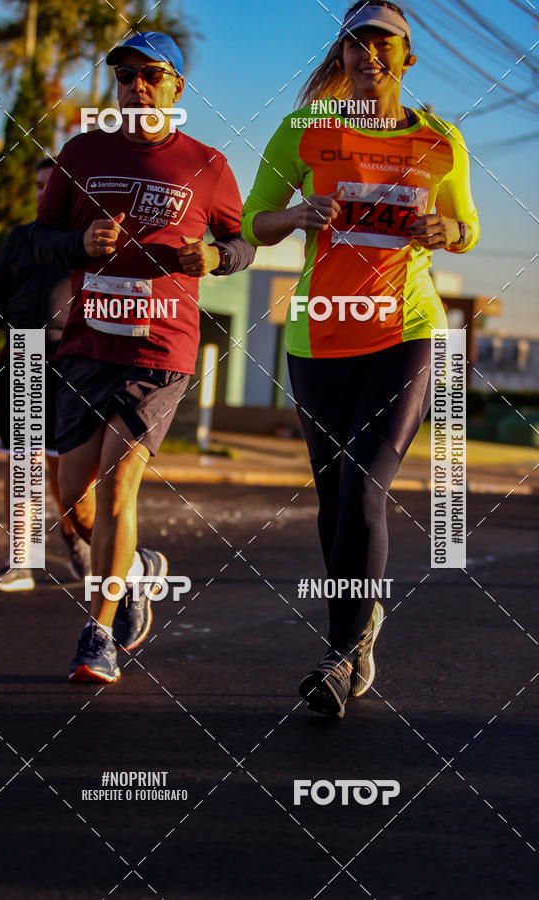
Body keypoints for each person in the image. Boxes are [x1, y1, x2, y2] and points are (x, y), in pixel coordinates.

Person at [241, 1, 479, 718]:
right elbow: (255, 220)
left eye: (383, 43)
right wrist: (295, 216)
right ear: (341, 55)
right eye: (355, 43)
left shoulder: (439, 138)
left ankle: (340, 656)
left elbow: (466, 226)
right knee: (333, 495)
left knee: (364, 488)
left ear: (406, 58)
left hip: (405, 330)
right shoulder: (305, 130)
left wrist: (446, 229)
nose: (368, 55)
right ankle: (361, 618)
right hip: (319, 332)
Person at [30, 32, 255, 683]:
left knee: (117, 483)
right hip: (88, 343)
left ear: (176, 86)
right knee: (73, 500)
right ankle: (136, 570)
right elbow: (40, 239)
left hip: (161, 347)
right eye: (125, 76)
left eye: (151, 75)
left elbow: (242, 244)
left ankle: (97, 634)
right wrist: (79, 242)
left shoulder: (207, 165)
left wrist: (214, 257)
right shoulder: (82, 152)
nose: (136, 87)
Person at [0, 158, 91, 592]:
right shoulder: (21, 238)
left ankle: (75, 537)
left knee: (66, 468)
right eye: (39, 185)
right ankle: (22, 560)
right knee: (23, 460)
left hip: (73, 358)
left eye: (51, 185)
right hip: (23, 350)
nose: (44, 192)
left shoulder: (87, 239)